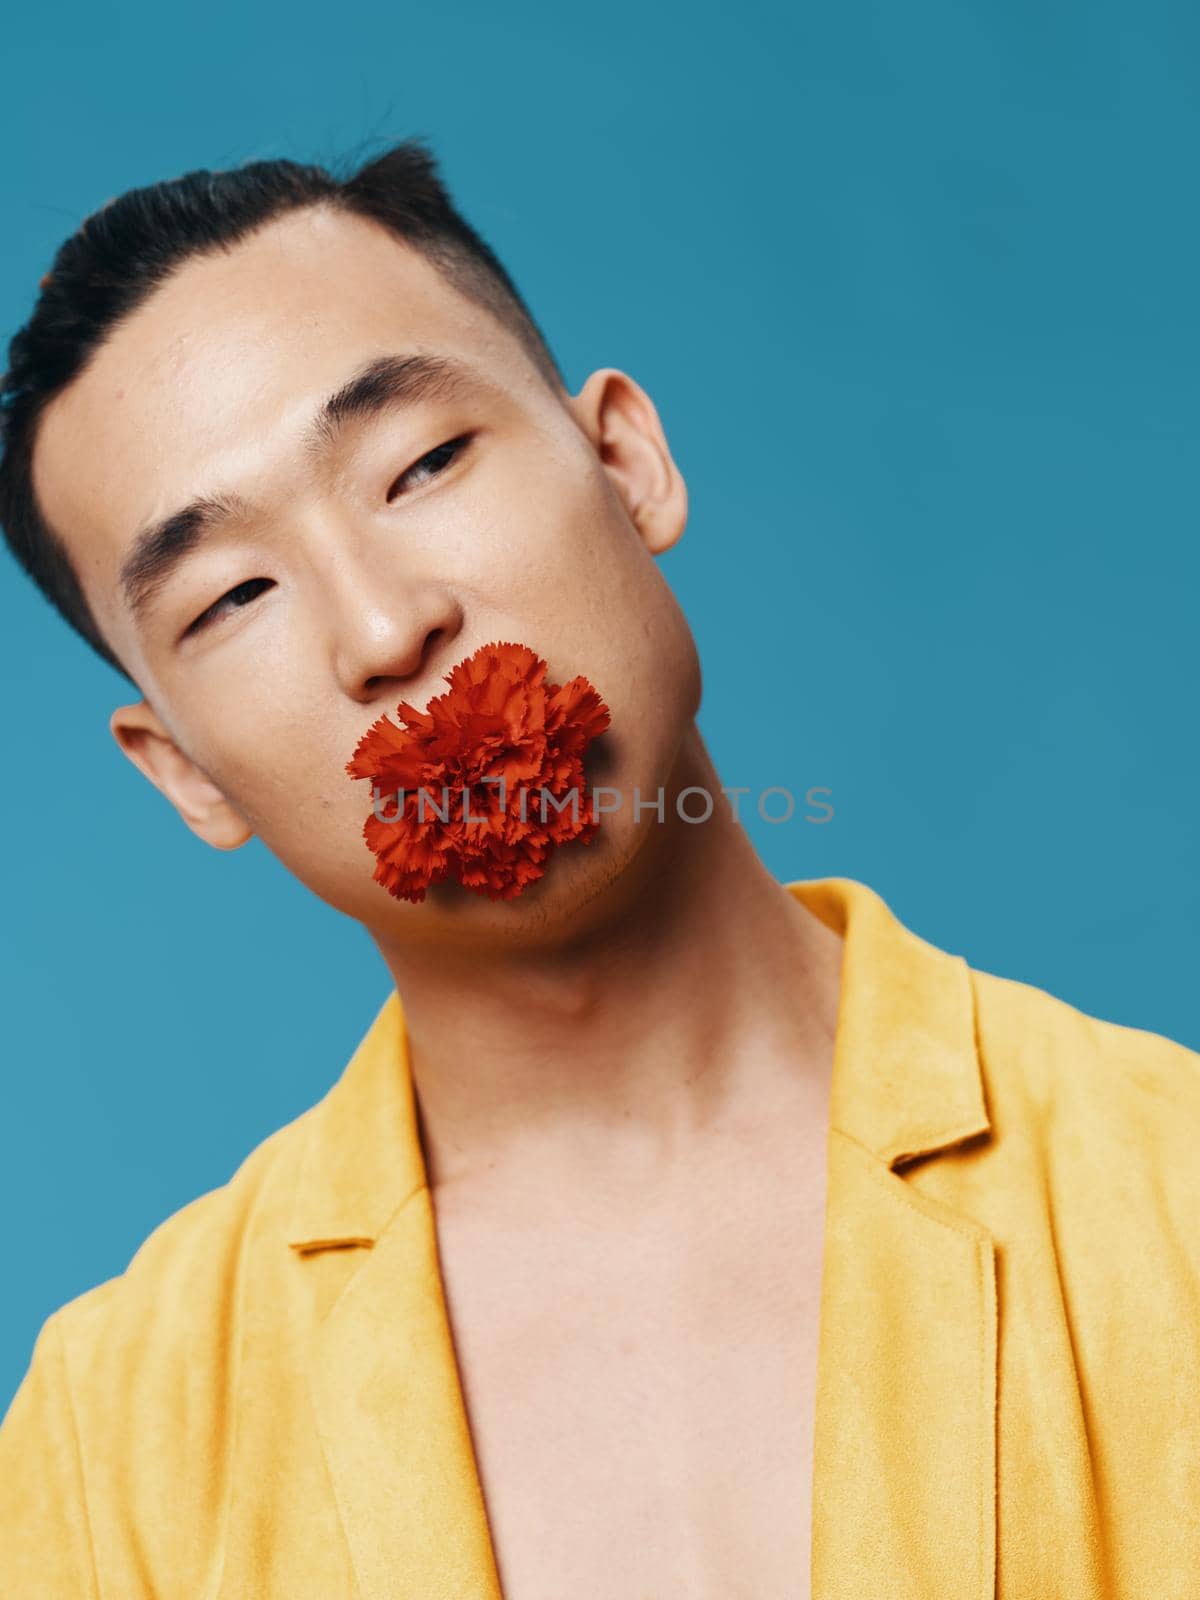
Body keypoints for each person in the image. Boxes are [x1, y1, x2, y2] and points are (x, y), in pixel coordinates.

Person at [0, 139, 1195, 1600]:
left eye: (420, 464)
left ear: (626, 465)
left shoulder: (1169, 1198)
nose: (384, 630)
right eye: (232, 594)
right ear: (183, 771)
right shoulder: (107, 1441)